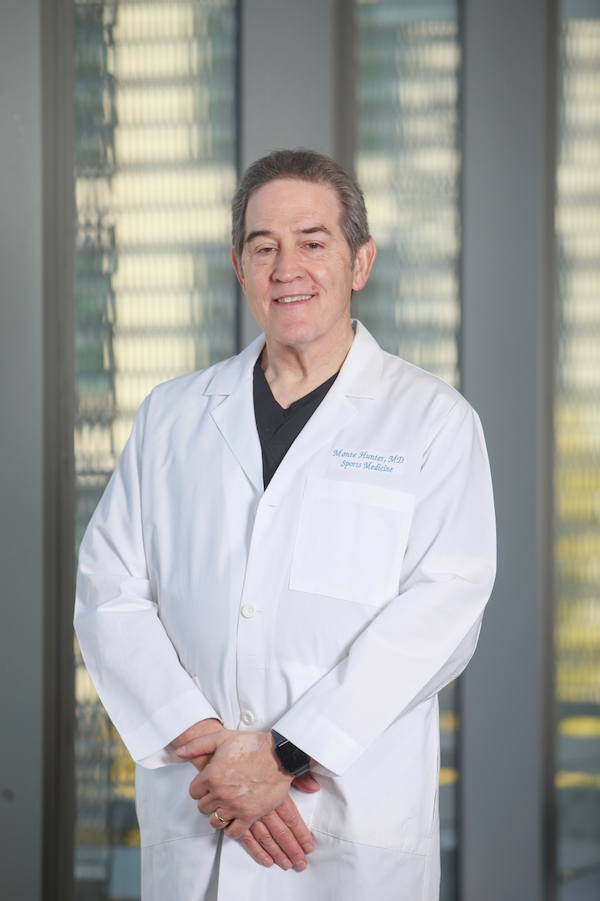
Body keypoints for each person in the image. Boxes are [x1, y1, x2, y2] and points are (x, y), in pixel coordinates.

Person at [75, 148, 496, 901]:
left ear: (360, 261)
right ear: (239, 266)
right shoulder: (173, 415)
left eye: (313, 241)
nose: (285, 267)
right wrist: (214, 750)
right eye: (263, 247)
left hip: (340, 825)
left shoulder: (433, 422)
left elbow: (442, 612)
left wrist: (284, 753)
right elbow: (109, 592)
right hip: (203, 806)